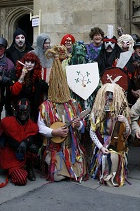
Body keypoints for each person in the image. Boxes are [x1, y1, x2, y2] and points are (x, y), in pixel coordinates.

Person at [37, 45, 87, 182]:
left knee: (79, 173)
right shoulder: (45, 106)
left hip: (71, 149)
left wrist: (78, 125)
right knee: (57, 177)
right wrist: (54, 133)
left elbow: (83, 126)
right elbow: (40, 127)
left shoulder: (73, 104)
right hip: (54, 149)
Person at [89, 83, 131, 187]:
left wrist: (125, 122)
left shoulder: (122, 112)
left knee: (114, 155)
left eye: (112, 94)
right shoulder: (97, 112)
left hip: (117, 144)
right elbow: (92, 132)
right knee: (106, 156)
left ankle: (112, 176)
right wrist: (100, 147)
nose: (110, 97)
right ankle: (106, 175)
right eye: (107, 94)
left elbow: (127, 133)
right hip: (103, 142)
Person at [0, 98, 39, 186]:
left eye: (25, 111)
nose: (22, 113)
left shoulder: (32, 125)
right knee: (21, 180)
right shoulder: (7, 122)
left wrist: (25, 142)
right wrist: (20, 144)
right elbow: (10, 141)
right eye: (20, 110)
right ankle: (16, 170)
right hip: (11, 154)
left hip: (24, 151)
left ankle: (29, 167)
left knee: (34, 148)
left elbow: (30, 138)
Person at [9, 52, 49, 122]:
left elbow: (47, 88)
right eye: (27, 61)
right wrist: (22, 75)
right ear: (23, 62)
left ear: (35, 65)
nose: (29, 64)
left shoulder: (37, 78)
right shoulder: (15, 73)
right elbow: (14, 92)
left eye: (32, 62)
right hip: (17, 107)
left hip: (32, 110)